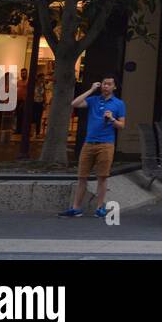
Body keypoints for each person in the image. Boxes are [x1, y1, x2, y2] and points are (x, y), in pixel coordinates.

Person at [60, 77, 125, 219]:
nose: (105, 86)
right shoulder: (94, 100)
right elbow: (75, 103)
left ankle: (100, 207)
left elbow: (121, 125)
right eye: (104, 84)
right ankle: (76, 208)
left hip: (106, 144)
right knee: (82, 176)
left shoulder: (118, 104)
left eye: (109, 84)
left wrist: (112, 119)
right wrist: (91, 90)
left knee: (102, 176)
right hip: (89, 143)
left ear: (114, 87)